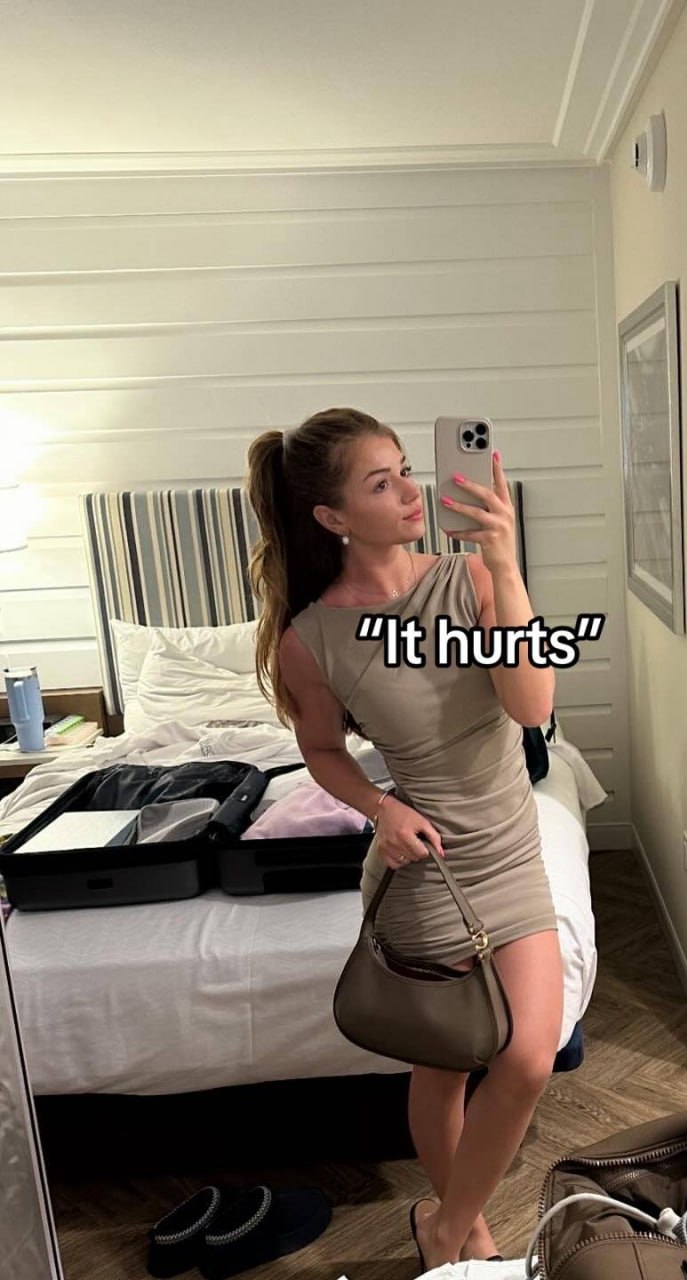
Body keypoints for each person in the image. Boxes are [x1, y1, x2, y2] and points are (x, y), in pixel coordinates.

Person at [245, 407, 564, 1269]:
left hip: (510, 852)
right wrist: (378, 807)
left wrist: (506, 566)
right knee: (445, 1063)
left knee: (529, 1059)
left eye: (405, 471)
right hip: (427, 869)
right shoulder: (312, 639)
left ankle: (446, 1227)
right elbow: (320, 751)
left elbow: (532, 707)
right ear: (332, 517)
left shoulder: (472, 579)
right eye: (379, 484)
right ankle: (468, 1234)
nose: (410, 493)